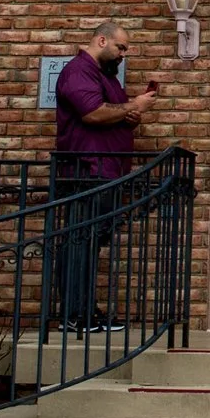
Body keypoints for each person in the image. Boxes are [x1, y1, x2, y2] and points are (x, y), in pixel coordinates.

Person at [53, 20, 155, 332]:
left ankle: (86, 310)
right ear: (101, 40)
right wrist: (133, 104)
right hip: (87, 172)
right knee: (79, 242)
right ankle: (74, 314)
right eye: (120, 47)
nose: (123, 54)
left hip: (107, 171)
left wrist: (130, 114)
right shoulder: (78, 71)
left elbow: (112, 112)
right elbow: (92, 113)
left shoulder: (105, 76)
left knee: (92, 243)